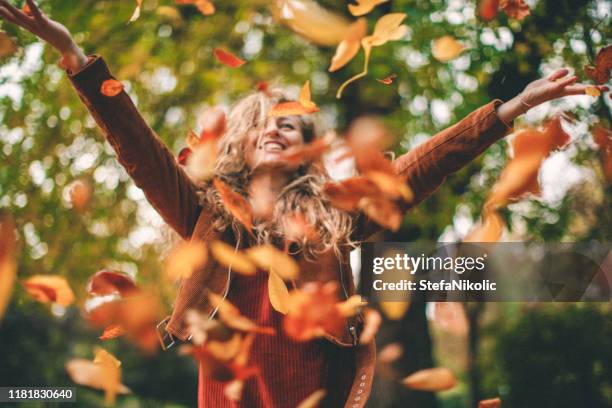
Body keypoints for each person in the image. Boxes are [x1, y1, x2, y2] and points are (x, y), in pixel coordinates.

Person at [1, 1, 607, 406]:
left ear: (307, 150)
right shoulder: (202, 216)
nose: (276, 127)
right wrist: (77, 58)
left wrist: (508, 112)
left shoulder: (334, 220)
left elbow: (422, 166)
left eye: (292, 124)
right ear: (241, 140)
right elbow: (136, 148)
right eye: (265, 121)